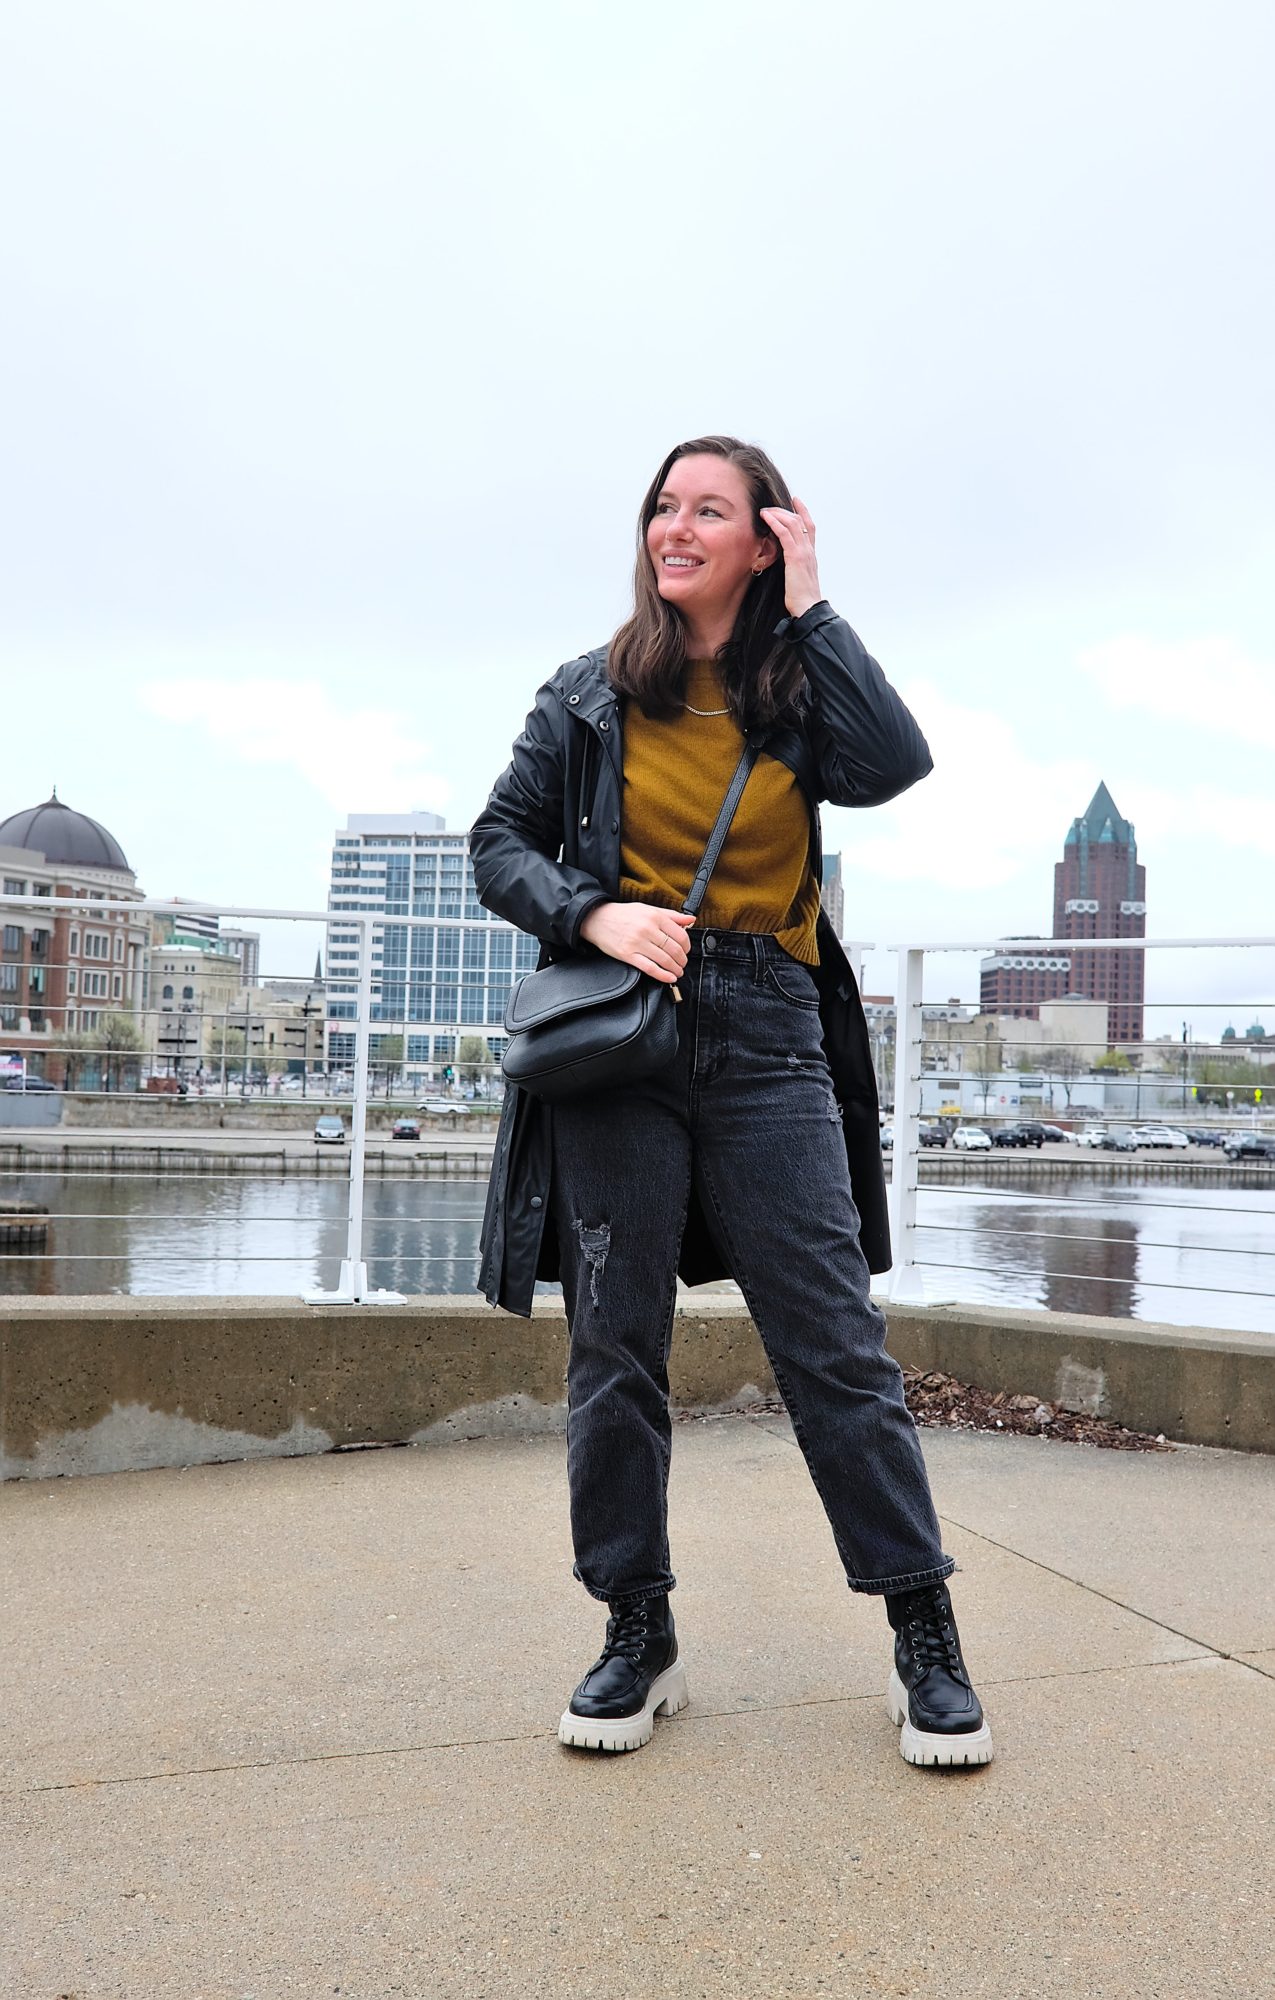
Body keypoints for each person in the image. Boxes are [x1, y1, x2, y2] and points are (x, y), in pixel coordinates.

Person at [470, 434, 992, 1770]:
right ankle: (634, 1629)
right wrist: (595, 910)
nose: (674, 527)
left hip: (770, 1032)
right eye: (662, 506)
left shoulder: (795, 692)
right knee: (616, 1349)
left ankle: (921, 1629)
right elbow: (499, 842)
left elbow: (892, 763)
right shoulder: (587, 694)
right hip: (620, 1036)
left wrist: (813, 599)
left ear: (761, 539)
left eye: (710, 510)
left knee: (833, 1342)